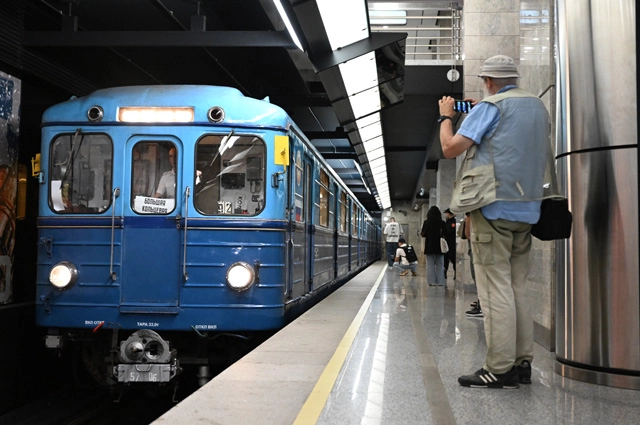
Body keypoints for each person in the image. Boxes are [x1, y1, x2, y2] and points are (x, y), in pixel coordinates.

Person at [438, 55, 549, 389]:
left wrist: (446, 117)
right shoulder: (537, 107)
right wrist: (477, 112)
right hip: (528, 209)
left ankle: (498, 368)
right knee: (517, 287)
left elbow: (450, 148)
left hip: (493, 208)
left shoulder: (491, 108)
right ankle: (522, 363)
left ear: (487, 81)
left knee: (494, 289)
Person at [462, 212, 483, 318]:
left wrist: (468, 234)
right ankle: (482, 302)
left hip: (478, 242)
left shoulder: (473, 210)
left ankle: (482, 305)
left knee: (478, 275)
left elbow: (468, 234)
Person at [420, 206, 446, 286]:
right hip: (440, 246)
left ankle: (432, 282)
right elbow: (446, 233)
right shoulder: (442, 222)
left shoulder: (426, 222)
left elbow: (423, 234)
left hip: (429, 246)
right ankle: (441, 282)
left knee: (430, 264)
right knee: (440, 264)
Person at [443, 208, 457, 279]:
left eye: (446, 213)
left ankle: (456, 274)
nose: (446, 215)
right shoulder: (447, 221)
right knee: (445, 260)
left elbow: (449, 232)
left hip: (451, 244)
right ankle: (444, 273)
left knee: (453, 259)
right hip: (446, 244)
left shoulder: (453, 222)